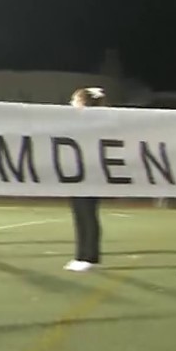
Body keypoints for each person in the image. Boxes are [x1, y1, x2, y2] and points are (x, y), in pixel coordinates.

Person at [64, 87, 107, 272]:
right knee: (79, 213)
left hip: (91, 173)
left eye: (74, 100)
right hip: (77, 173)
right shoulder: (75, 122)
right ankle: (81, 255)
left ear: (83, 103)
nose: (71, 104)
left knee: (88, 213)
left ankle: (91, 256)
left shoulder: (95, 122)